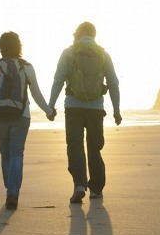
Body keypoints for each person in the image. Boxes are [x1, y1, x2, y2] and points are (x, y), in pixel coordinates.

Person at [0, 31, 54, 209]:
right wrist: (49, 111)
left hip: (0, 116)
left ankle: (9, 190)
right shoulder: (27, 67)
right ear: (19, 46)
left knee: (6, 155)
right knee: (17, 154)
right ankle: (13, 192)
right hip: (22, 116)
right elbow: (36, 94)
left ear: (0, 47)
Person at [48, 21, 121, 204]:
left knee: (75, 145)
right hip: (95, 108)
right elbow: (113, 83)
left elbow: (58, 79)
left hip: (73, 106)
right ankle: (96, 189)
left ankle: (79, 185)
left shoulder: (69, 52)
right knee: (94, 147)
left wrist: (50, 106)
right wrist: (117, 110)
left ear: (78, 34)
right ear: (94, 35)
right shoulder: (104, 55)